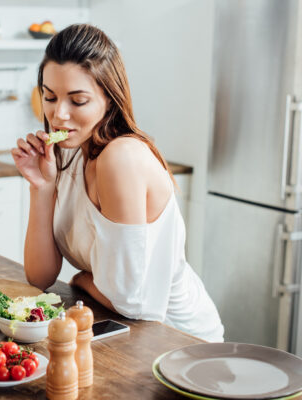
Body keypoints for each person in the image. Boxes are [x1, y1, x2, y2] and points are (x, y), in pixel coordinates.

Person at [12, 24, 224, 342]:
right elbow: (39, 278)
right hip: (124, 332)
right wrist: (41, 187)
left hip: (180, 340)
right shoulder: (68, 155)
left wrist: (82, 278)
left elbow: (132, 303)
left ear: (109, 100)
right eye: (50, 97)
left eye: (78, 101)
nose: (59, 115)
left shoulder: (120, 158)